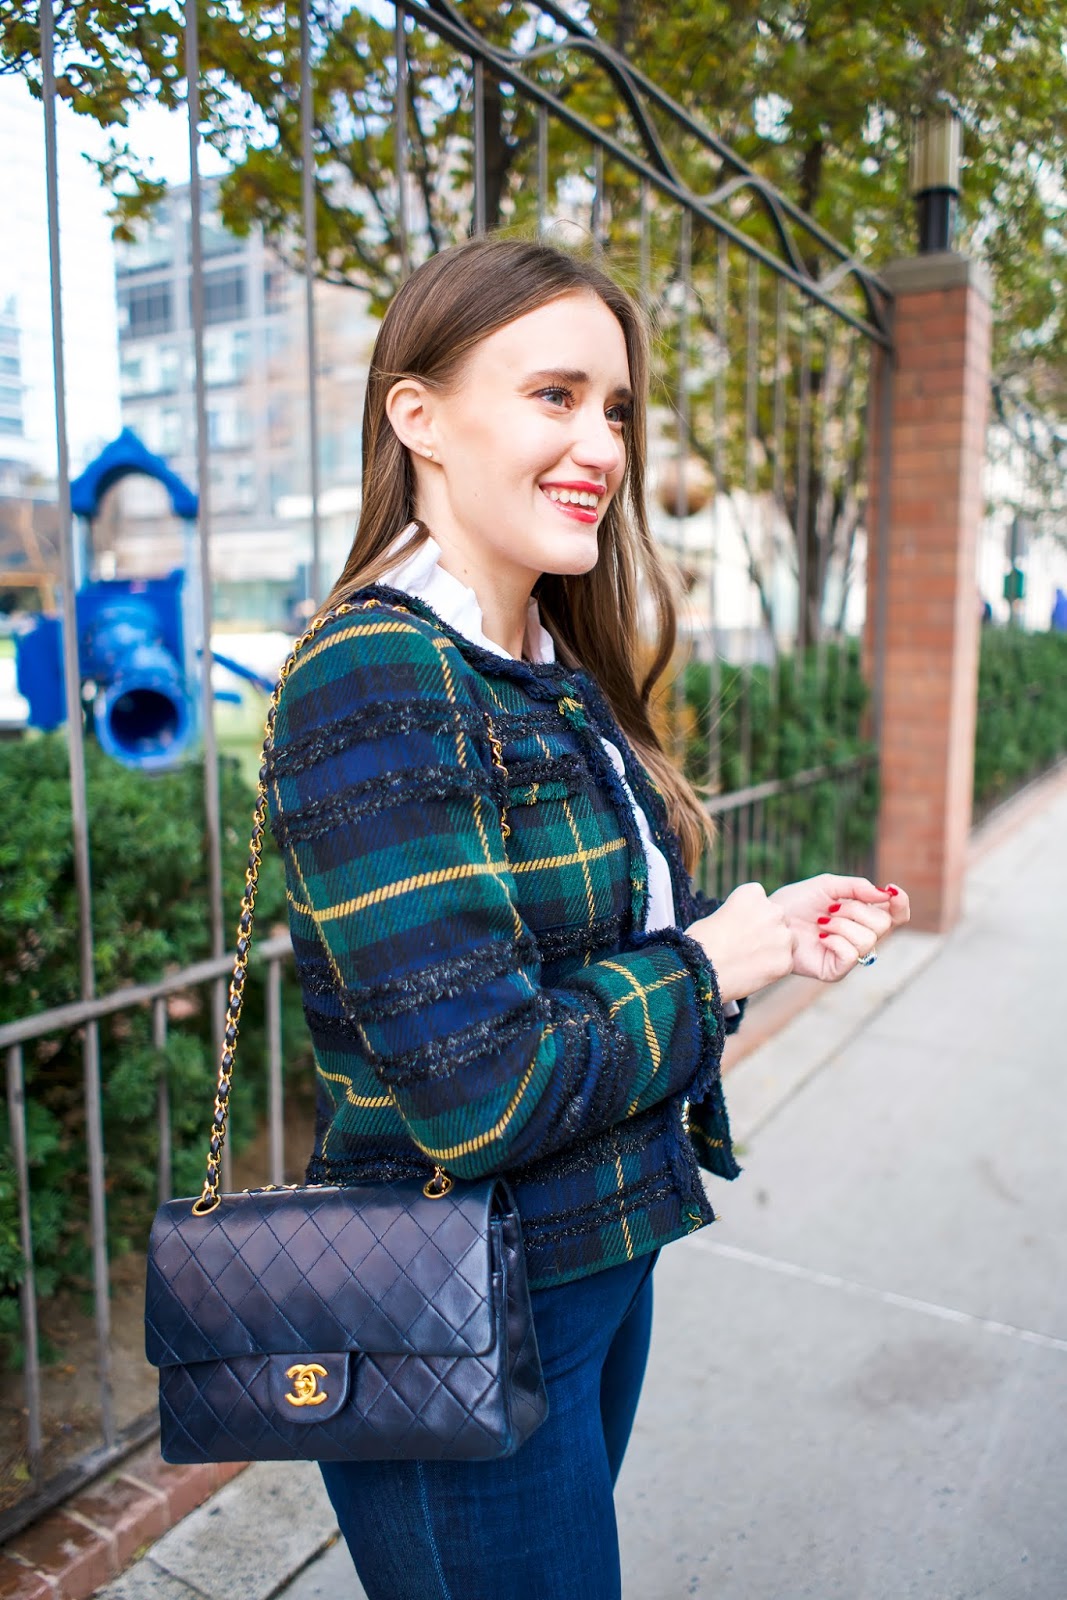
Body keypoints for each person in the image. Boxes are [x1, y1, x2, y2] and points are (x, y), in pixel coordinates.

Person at [266, 236, 910, 1600]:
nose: (603, 445)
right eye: (554, 396)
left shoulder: (545, 663)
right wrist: (709, 964)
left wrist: (762, 933)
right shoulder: (378, 672)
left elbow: (591, 953)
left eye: (615, 408)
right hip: (457, 1300)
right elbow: (481, 1089)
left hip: (595, 1266)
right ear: (418, 416)